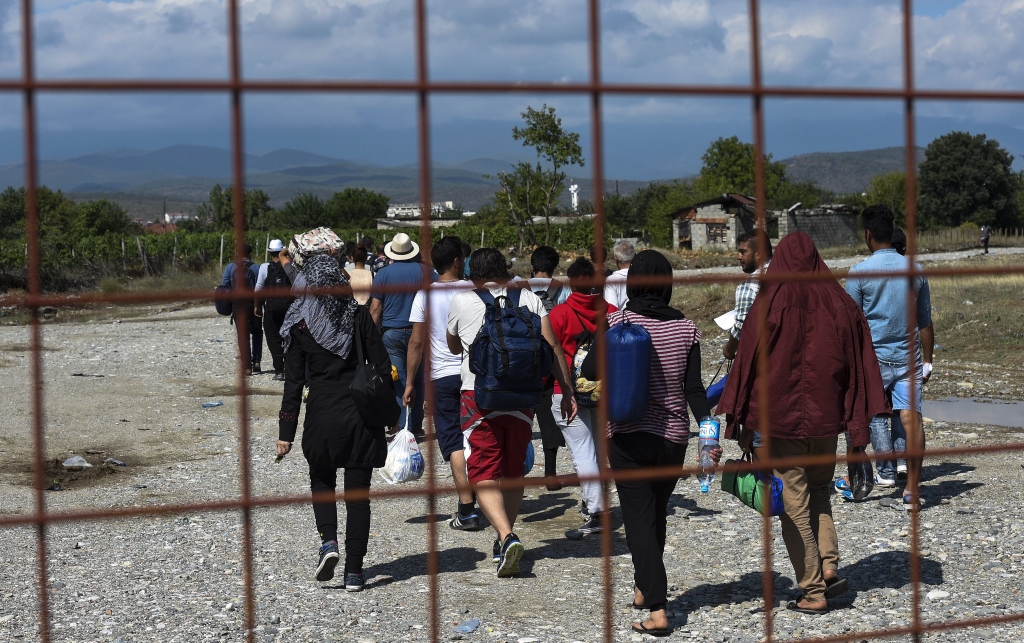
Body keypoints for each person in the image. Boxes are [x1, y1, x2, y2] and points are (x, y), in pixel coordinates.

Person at [718, 232, 888, 615]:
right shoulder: (841, 304)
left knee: (793, 503)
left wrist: (742, 419)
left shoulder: (770, 302)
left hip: (782, 421)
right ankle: (829, 563)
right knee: (821, 490)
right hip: (827, 421)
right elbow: (861, 365)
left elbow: (746, 365)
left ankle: (812, 590)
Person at [446, 248, 577, 578]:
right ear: (505, 270)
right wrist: (566, 390)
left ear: (473, 273)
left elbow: (452, 345)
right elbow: (552, 346)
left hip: (479, 396)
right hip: (523, 396)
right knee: (514, 468)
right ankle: (504, 537)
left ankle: (506, 536)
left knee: (483, 468)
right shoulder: (528, 298)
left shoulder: (463, 299)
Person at [606, 249, 717, 637]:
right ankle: (643, 587)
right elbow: (695, 389)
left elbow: (588, 369)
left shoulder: (618, 321)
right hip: (673, 439)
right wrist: (707, 428)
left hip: (628, 436)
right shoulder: (686, 329)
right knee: (654, 514)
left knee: (638, 519)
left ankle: (656, 608)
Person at [275, 254, 393, 591]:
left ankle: (329, 542)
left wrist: (285, 433)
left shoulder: (300, 326)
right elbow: (383, 366)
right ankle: (354, 571)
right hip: (361, 414)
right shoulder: (357, 315)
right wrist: (392, 416)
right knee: (358, 496)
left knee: (322, 482)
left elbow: (293, 385)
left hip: (321, 416)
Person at [846, 205, 934, 506]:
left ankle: (861, 477)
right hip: (909, 359)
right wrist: (929, 360)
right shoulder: (915, 270)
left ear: (868, 234)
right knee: (913, 421)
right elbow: (925, 322)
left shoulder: (858, 274)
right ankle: (912, 490)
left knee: (863, 416)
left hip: (873, 360)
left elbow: (850, 325)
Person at [402, 237, 481, 530]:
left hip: (442, 377)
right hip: (474, 375)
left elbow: (417, 341)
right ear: (458, 262)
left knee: (452, 439)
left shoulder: (425, 295)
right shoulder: (474, 290)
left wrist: (410, 382)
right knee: (477, 433)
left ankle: (467, 509)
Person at [548, 257, 616, 539]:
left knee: (582, 451)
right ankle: (597, 505)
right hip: (604, 390)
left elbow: (550, 352)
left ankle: (598, 513)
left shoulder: (559, 314)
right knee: (599, 451)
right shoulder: (612, 311)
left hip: (565, 391)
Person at [370, 233, 435, 435]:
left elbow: (375, 308)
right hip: (421, 332)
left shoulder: (383, 274)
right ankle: (415, 426)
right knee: (417, 378)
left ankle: (402, 425)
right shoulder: (427, 272)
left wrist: (371, 337)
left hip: (392, 333)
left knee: (398, 379)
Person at [526, 246, 570, 490]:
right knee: (548, 417)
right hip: (550, 357)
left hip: (524, 358)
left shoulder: (519, 287)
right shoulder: (562, 288)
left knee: (521, 415)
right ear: (555, 268)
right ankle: (551, 473)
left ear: (532, 267)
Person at [723, 231, 773, 360]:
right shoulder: (787, 274)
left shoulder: (749, 285)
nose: (738, 257)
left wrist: (729, 350)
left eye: (743, 252)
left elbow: (742, 326)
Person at [255, 239, 298, 381]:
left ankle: (279, 371)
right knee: (290, 338)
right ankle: (291, 368)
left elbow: (258, 289)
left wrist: (257, 306)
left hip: (271, 308)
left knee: (273, 339)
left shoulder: (264, 267)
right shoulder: (289, 266)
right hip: (289, 308)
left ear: (269, 252)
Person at [219, 243, 263, 375]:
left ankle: (246, 366)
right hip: (254, 304)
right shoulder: (257, 267)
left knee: (243, 336)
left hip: (238, 305)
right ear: (250, 254)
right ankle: (257, 361)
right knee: (257, 332)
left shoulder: (230, 267)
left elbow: (224, 286)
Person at [603, 240, 635, 309]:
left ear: (615, 258)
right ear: (634, 255)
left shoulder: (612, 280)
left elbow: (612, 309)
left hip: (622, 318)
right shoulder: (643, 276)